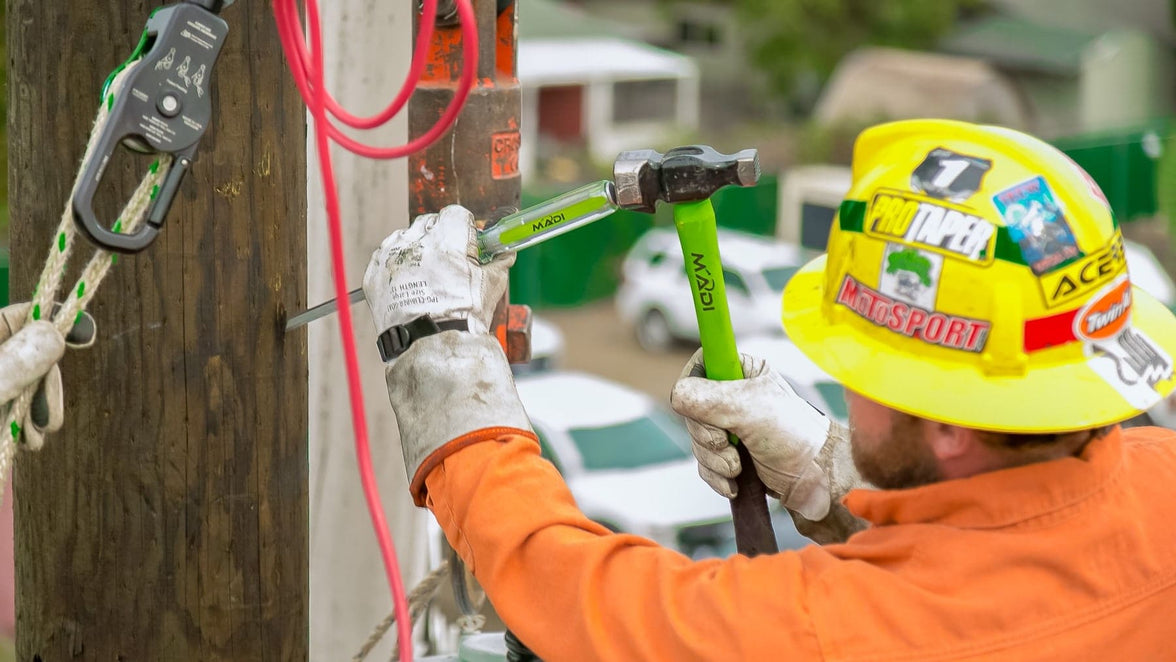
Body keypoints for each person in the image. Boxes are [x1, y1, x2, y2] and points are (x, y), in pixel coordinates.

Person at [362, 119, 1176, 660]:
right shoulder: (1162, 483)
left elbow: (569, 598)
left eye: (863, 372)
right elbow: (1011, 558)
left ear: (951, 429)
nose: (848, 394)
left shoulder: (827, 631)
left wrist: (439, 361)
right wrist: (834, 477)